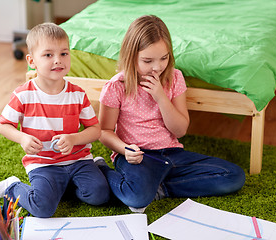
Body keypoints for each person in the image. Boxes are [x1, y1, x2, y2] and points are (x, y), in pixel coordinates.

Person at [95, 15, 245, 213]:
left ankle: (161, 189)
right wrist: (125, 150)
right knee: (137, 197)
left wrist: (161, 97)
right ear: (131, 56)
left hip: (171, 155)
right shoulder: (116, 86)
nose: (157, 67)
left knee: (233, 176)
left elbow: (180, 130)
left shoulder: (174, 77)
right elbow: (104, 131)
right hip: (138, 156)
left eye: (164, 58)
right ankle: (100, 169)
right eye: (148, 60)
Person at [0, 22, 110, 218]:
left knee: (99, 195)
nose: (58, 60)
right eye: (48, 55)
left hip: (78, 160)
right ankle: (12, 186)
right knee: (43, 208)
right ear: (32, 61)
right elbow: (3, 125)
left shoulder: (77, 94)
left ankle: (86, 174)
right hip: (43, 163)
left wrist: (74, 139)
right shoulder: (23, 94)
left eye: (64, 54)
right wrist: (23, 138)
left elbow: (95, 130)